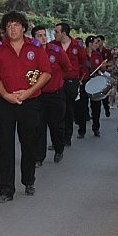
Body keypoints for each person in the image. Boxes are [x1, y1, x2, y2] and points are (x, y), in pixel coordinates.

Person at [0, 11, 51, 203]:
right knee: (6, 146)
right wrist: (6, 95)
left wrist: (29, 92)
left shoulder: (35, 48)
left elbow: (46, 73)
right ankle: (6, 189)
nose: (12, 29)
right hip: (5, 103)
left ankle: (28, 179)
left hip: (29, 102)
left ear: (23, 27)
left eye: (15, 25)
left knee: (28, 143)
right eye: (8, 26)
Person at [31, 25, 72, 166]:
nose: (43, 38)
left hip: (55, 95)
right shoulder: (30, 53)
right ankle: (38, 157)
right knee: (39, 127)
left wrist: (58, 80)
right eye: (39, 35)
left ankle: (59, 149)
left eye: (44, 35)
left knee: (56, 126)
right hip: (38, 96)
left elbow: (67, 68)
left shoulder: (56, 51)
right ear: (33, 38)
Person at [52, 22, 87, 147]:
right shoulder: (52, 46)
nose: (54, 34)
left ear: (64, 33)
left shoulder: (77, 46)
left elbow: (83, 64)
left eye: (56, 32)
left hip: (71, 82)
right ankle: (57, 140)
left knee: (68, 110)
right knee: (57, 112)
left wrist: (80, 79)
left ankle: (67, 138)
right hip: (56, 81)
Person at [77, 35, 102, 138]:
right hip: (84, 82)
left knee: (96, 107)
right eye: (96, 43)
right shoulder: (81, 53)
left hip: (95, 83)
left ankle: (96, 128)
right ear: (90, 43)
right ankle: (81, 130)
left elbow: (101, 69)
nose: (97, 45)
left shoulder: (98, 55)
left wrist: (103, 68)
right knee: (82, 107)